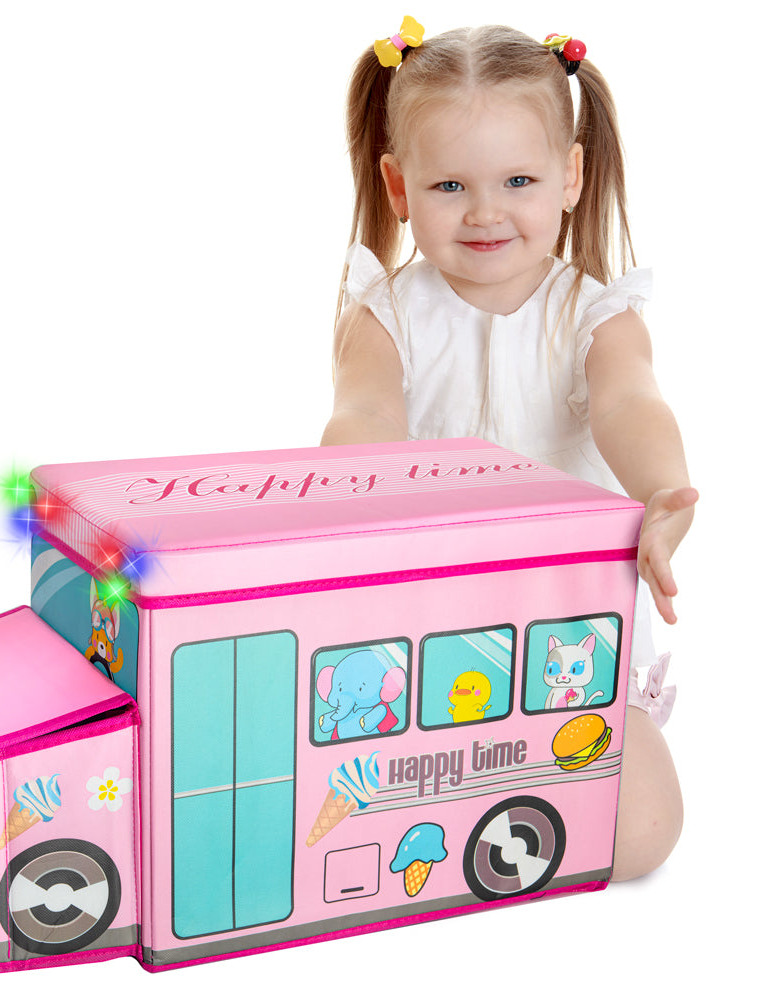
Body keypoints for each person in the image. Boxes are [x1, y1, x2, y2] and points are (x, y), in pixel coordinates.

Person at [322, 21, 697, 881]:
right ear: (399, 186)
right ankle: (452, 809)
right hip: (428, 613)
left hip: (567, 623)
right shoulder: (385, 314)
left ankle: (507, 799)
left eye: (518, 181)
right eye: (450, 184)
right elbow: (364, 410)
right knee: (368, 780)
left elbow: (630, 403)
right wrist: (352, 494)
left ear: (571, 176)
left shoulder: (595, 314)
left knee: (643, 833)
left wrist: (663, 491)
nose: (486, 212)